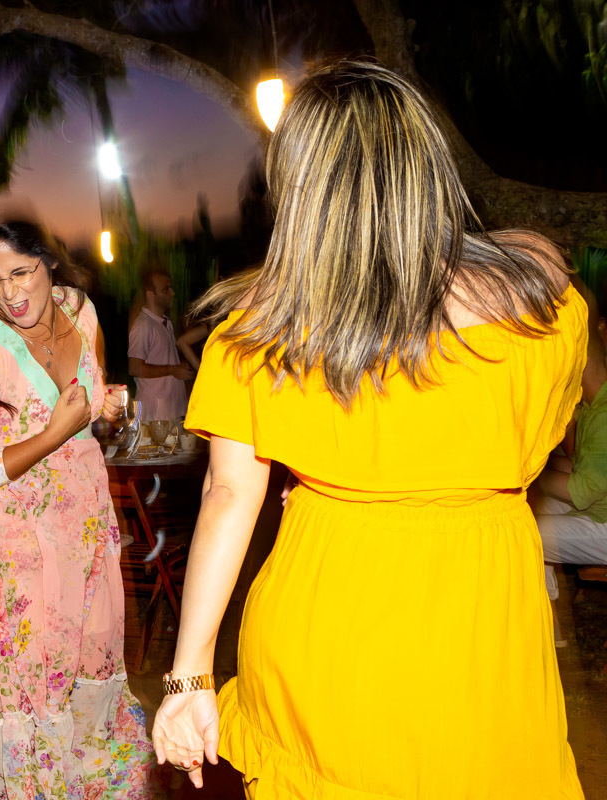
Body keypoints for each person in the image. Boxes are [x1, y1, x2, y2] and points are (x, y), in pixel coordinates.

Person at [151, 59, 585, 798]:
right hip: (481, 631)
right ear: (426, 164)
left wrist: (190, 675)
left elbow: (228, 497)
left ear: (301, 187)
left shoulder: (257, 334)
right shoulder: (546, 310)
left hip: (324, 626)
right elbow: (534, 444)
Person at [0, 218, 159, 799]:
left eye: (21, 272)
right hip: (12, 552)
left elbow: (89, 396)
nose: (10, 292)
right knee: (28, 693)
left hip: (85, 528)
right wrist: (56, 431)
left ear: (50, 265)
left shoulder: (81, 310)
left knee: (87, 678)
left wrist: (100, 412)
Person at [534, 283, 607, 607]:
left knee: (519, 532)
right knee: (522, 511)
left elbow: (584, 489)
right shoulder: (593, 405)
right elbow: (581, 464)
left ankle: (544, 618)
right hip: (598, 507)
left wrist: (526, 473)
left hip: (603, 521)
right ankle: (547, 615)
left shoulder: (603, 413)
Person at [128, 267, 192, 421]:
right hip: (154, 414)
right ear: (150, 294)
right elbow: (135, 368)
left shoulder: (165, 323)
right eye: (166, 289)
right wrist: (173, 369)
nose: (172, 293)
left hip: (170, 412)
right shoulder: (144, 325)